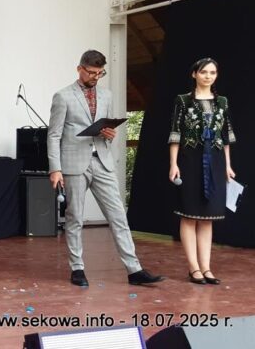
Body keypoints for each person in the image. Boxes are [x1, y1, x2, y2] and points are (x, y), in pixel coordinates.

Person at [48, 49, 164, 287]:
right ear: (79, 69)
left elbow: (105, 128)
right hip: (73, 163)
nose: (95, 77)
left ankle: (134, 270)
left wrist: (109, 135)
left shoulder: (107, 95)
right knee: (75, 217)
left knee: (119, 216)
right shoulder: (62, 96)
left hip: (102, 160)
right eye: (92, 72)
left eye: (100, 73)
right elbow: (54, 135)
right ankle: (77, 268)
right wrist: (55, 169)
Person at [168, 58, 236, 285]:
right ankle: (193, 268)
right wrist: (173, 164)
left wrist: (227, 165)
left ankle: (206, 268)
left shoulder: (222, 102)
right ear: (194, 74)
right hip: (189, 160)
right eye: (204, 72)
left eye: (213, 72)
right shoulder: (183, 100)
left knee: (208, 218)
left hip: (215, 161)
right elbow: (175, 133)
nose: (208, 76)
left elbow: (226, 137)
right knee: (189, 215)